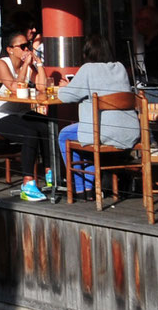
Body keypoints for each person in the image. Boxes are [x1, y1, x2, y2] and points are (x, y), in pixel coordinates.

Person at [55, 36, 139, 195]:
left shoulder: (88, 69)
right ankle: (90, 186)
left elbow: (67, 97)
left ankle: (82, 189)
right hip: (129, 131)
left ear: (87, 54)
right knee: (84, 135)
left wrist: (66, 86)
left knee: (65, 135)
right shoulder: (120, 67)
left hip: (102, 131)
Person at [0, 29, 51, 200]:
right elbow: (15, 88)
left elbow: (42, 87)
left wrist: (38, 64)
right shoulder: (2, 64)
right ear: (10, 49)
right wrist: (25, 67)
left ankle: (50, 173)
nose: (26, 50)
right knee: (30, 133)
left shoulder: (28, 66)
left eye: (28, 46)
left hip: (20, 113)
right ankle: (27, 183)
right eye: (22, 46)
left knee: (47, 125)